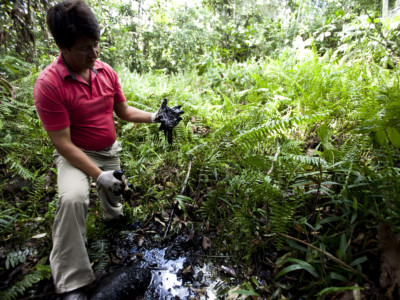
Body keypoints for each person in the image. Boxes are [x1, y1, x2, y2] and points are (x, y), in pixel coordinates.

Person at [33, 1, 183, 299]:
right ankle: (72, 281)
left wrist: (155, 116)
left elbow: (124, 111)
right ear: (62, 47)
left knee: (115, 197)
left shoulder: (105, 72)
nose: (94, 54)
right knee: (74, 199)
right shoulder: (49, 85)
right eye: (85, 48)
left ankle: (112, 218)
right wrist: (97, 174)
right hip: (74, 155)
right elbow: (62, 143)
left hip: (107, 149)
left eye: (96, 45)